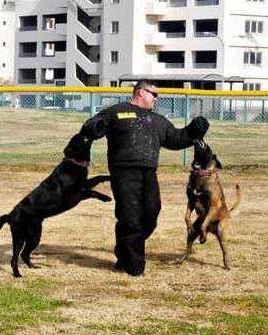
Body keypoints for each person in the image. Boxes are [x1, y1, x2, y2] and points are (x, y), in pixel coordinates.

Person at [79, 80, 209, 276]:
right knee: (130, 217)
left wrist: (194, 130)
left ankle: (124, 251)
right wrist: (94, 126)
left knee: (151, 214)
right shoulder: (117, 111)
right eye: (153, 94)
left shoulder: (157, 120)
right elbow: (92, 126)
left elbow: (175, 138)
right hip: (123, 172)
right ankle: (134, 268)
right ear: (140, 92)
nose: (156, 98)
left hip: (148, 172)